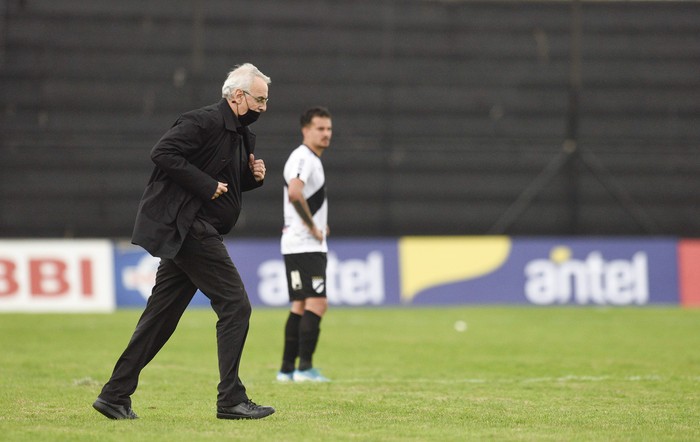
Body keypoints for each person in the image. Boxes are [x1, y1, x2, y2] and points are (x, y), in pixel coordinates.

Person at [92, 63, 275, 420]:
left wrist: (251, 178)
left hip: (193, 232)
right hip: (192, 229)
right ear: (238, 96)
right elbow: (162, 154)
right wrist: (206, 185)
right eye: (260, 100)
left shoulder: (239, 134)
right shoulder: (202, 121)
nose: (263, 108)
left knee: (159, 319)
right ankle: (230, 400)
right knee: (235, 305)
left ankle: (114, 395)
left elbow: (228, 184)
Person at [276, 107, 333, 383]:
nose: (326, 134)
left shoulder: (307, 159)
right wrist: (312, 228)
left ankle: (287, 369)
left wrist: (319, 223)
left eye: (328, 129)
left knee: (299, 305)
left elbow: (304, 198)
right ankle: (305, 368)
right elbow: (296, 192)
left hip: (296, 243)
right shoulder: (303, 158)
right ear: (305, 130)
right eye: (320, 128)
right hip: (305, 244)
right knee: (318, 302)